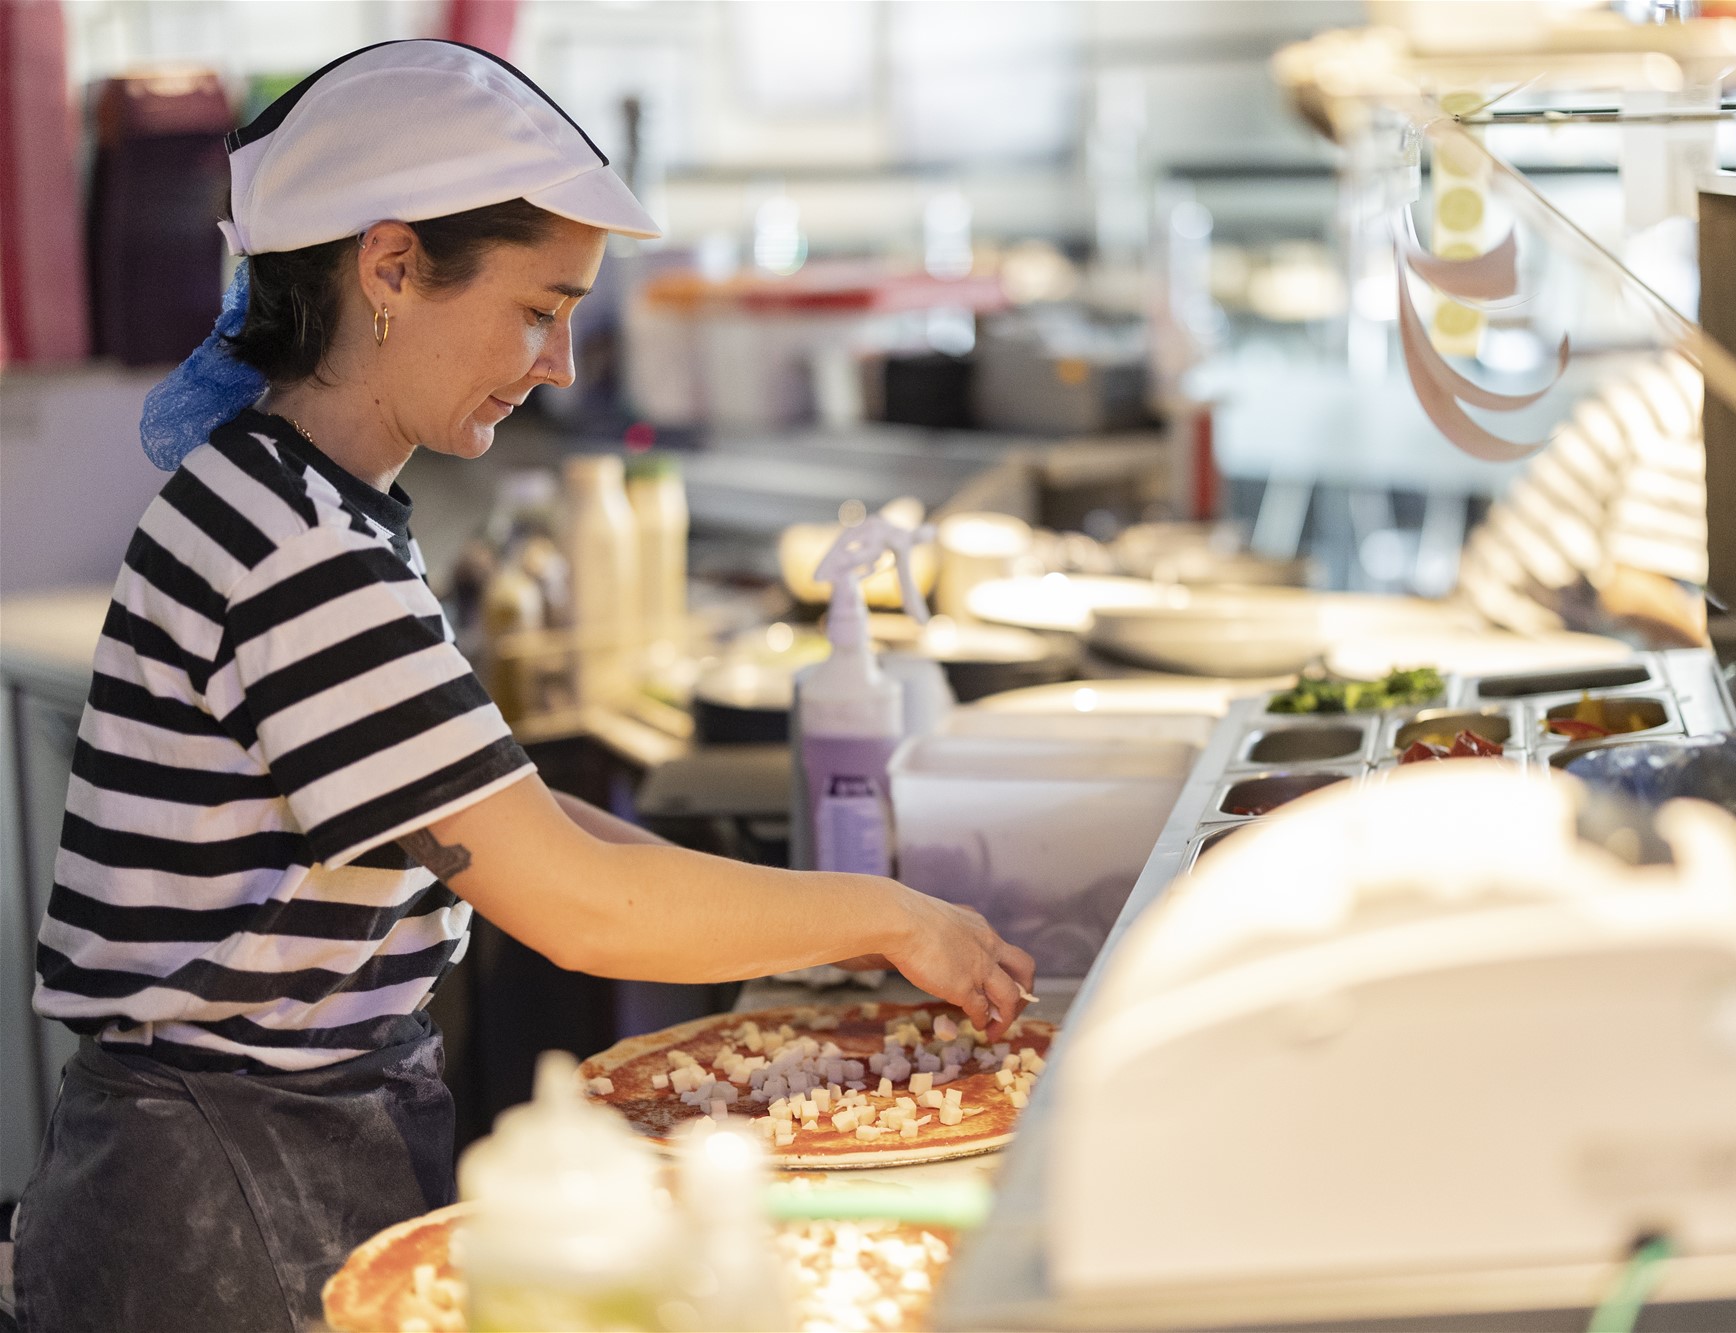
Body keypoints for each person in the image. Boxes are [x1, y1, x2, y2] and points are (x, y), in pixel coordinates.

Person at [14, 41, 1033, 1333]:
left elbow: (518, 818)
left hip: (254, 1158)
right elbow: (576, 904)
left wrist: (806, 919)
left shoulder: (300, 500)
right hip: (216, 1207)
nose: (557, 362)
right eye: (538, 307)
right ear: (389, 267)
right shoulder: (302, 551)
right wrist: (883, 917)